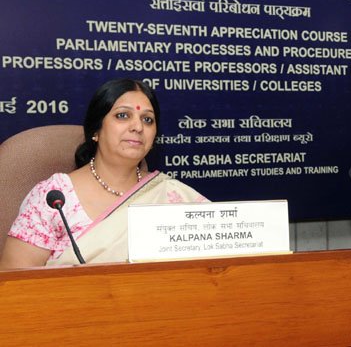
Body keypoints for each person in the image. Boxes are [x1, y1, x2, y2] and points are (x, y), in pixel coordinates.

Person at [0, 78, 207, 269]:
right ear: (96, 131)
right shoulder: (54, 199)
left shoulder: (170, 196)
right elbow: (14, 283)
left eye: (147, 119)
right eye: (123, 115)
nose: (137, 127)